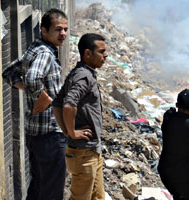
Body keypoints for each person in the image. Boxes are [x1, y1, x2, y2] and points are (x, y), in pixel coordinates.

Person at [2, 8, 68, 200]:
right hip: (50, 134)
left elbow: (9, 73)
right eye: (57, 29)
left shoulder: (34, 50)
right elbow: (32, 77)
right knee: (52, 192)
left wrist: (30, 90)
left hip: (35, 135)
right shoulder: (45, 54)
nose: (62, 33)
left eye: (64, 29)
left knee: (38, 188)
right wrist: (43, 97)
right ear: (44, 31)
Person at [52, 33, 108, 200]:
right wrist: (71, 132)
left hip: (91, 151)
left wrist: (67, 131)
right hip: (83, 154)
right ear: (87, 53)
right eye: (101, 51)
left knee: (97, 197)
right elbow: (68, 105)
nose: (106, 55)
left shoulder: (81, 73)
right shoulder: (83, 77)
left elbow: (57, 103)